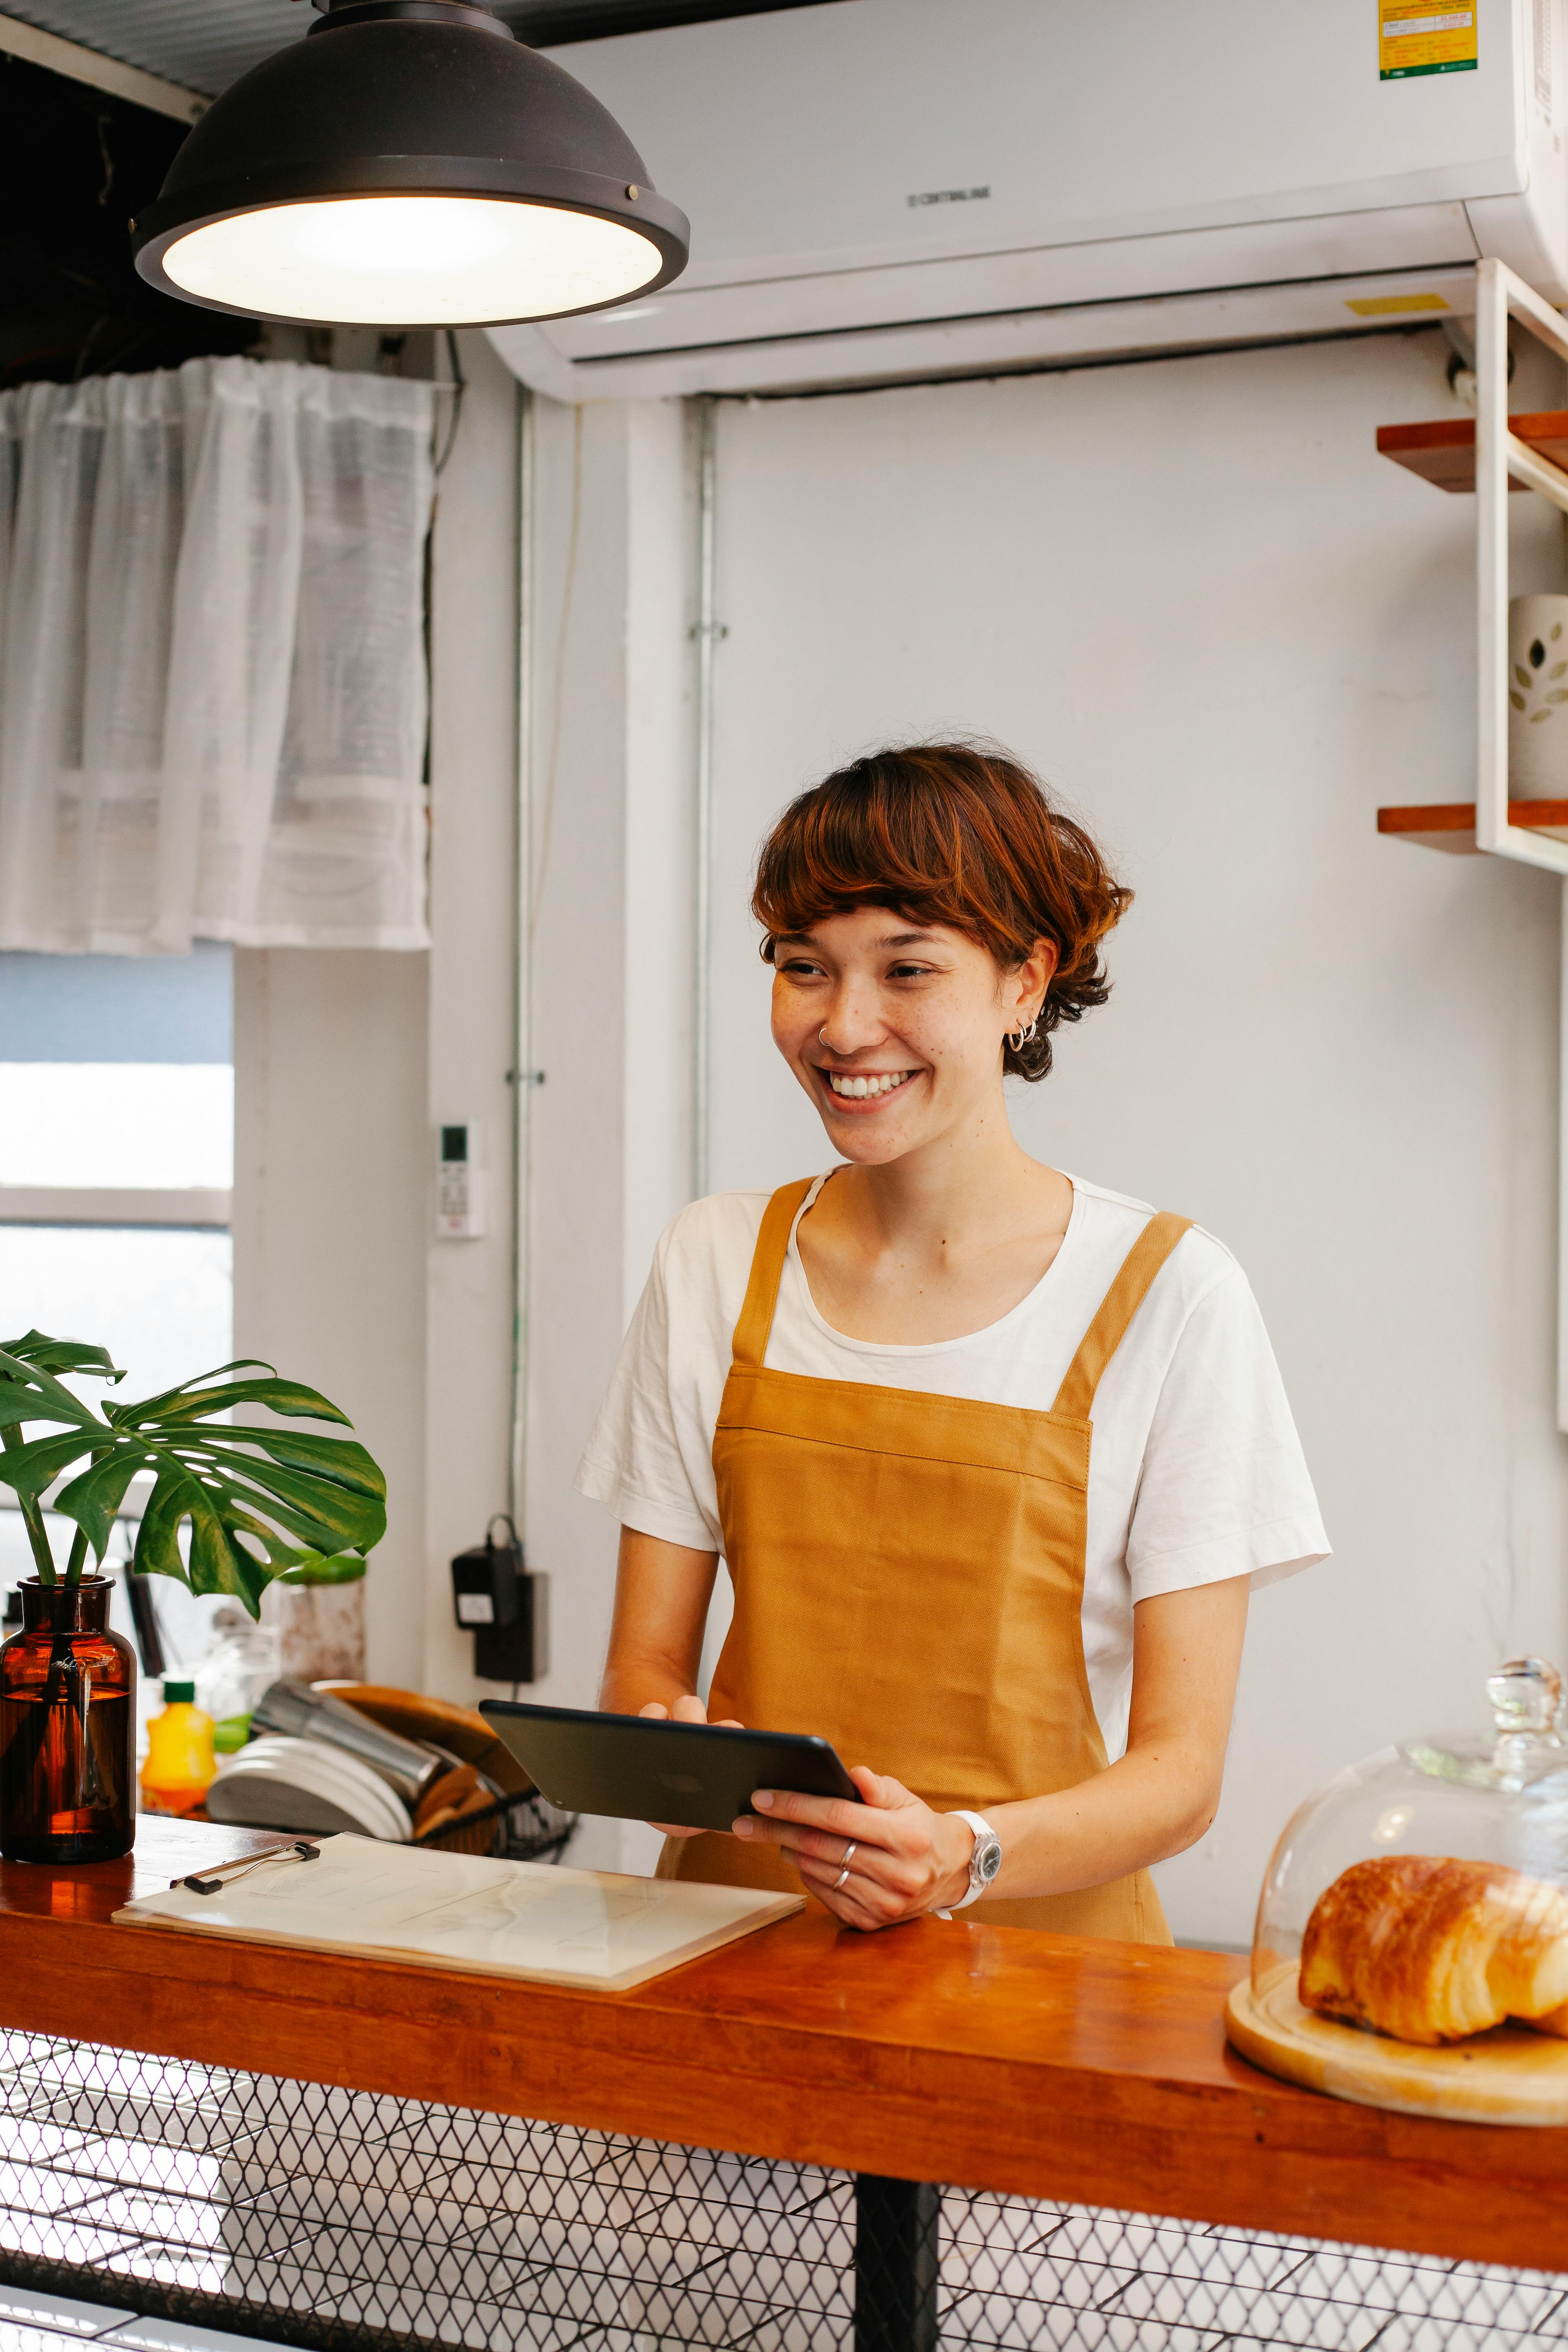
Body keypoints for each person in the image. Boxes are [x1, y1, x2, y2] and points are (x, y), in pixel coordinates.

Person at [577, 743, 1327, 1940]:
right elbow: (641, 1673)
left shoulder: (1171, 1296)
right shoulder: (713, 1263)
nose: (844, 1025)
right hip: (729, 1960)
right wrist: (662, 1748)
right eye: (803, 968)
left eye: (906, 968)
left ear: (1025, 981)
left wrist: (961, 1857)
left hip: (1043, 1989)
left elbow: (1182, 1779)